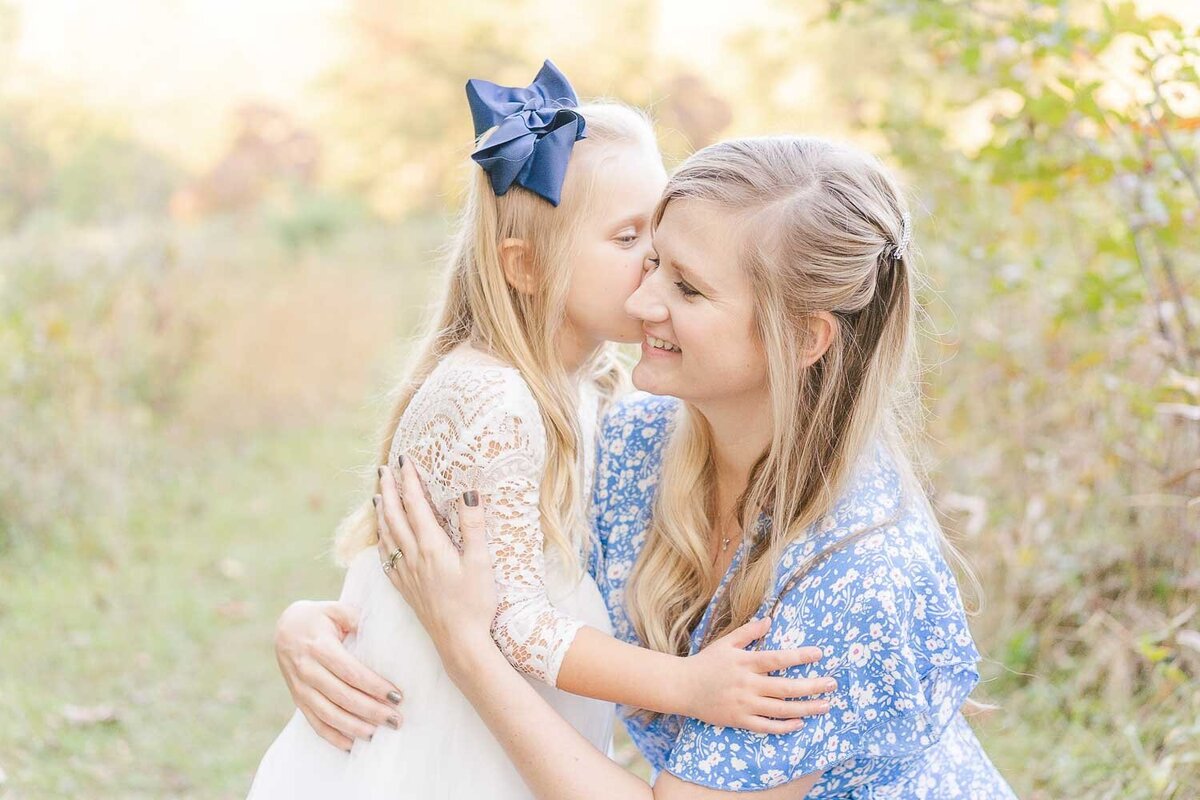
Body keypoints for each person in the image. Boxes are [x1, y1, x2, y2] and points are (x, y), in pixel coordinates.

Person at [363, 135, 1019, 797]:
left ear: (803, 337)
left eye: (688, 288)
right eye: (650, 262)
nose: (643, 302)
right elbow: (490, 562)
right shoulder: (634, 445)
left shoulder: (860, 577)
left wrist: (469, 654)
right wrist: (326, 629)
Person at [247, 64, 832, 800]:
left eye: (660, 231)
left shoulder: (589, 385)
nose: (657, 260)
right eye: (628, 239)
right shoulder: (490, 397)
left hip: (504, 720)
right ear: (525, 266)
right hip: (436, 738)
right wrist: (686, 687)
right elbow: (509, 623)